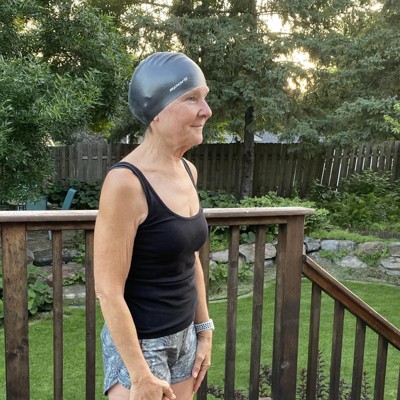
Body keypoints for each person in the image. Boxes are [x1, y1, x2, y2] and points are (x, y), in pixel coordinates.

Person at [94, 52, 214, 400]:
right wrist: (139, 374)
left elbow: (190, 258)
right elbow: (107, 290)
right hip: (141, 346)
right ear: (156, 111)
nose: (206, 110)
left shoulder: (188, 171)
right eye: (191, 98)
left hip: (184, 336)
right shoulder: (125, 183)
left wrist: (204, 330)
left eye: (205, 97)